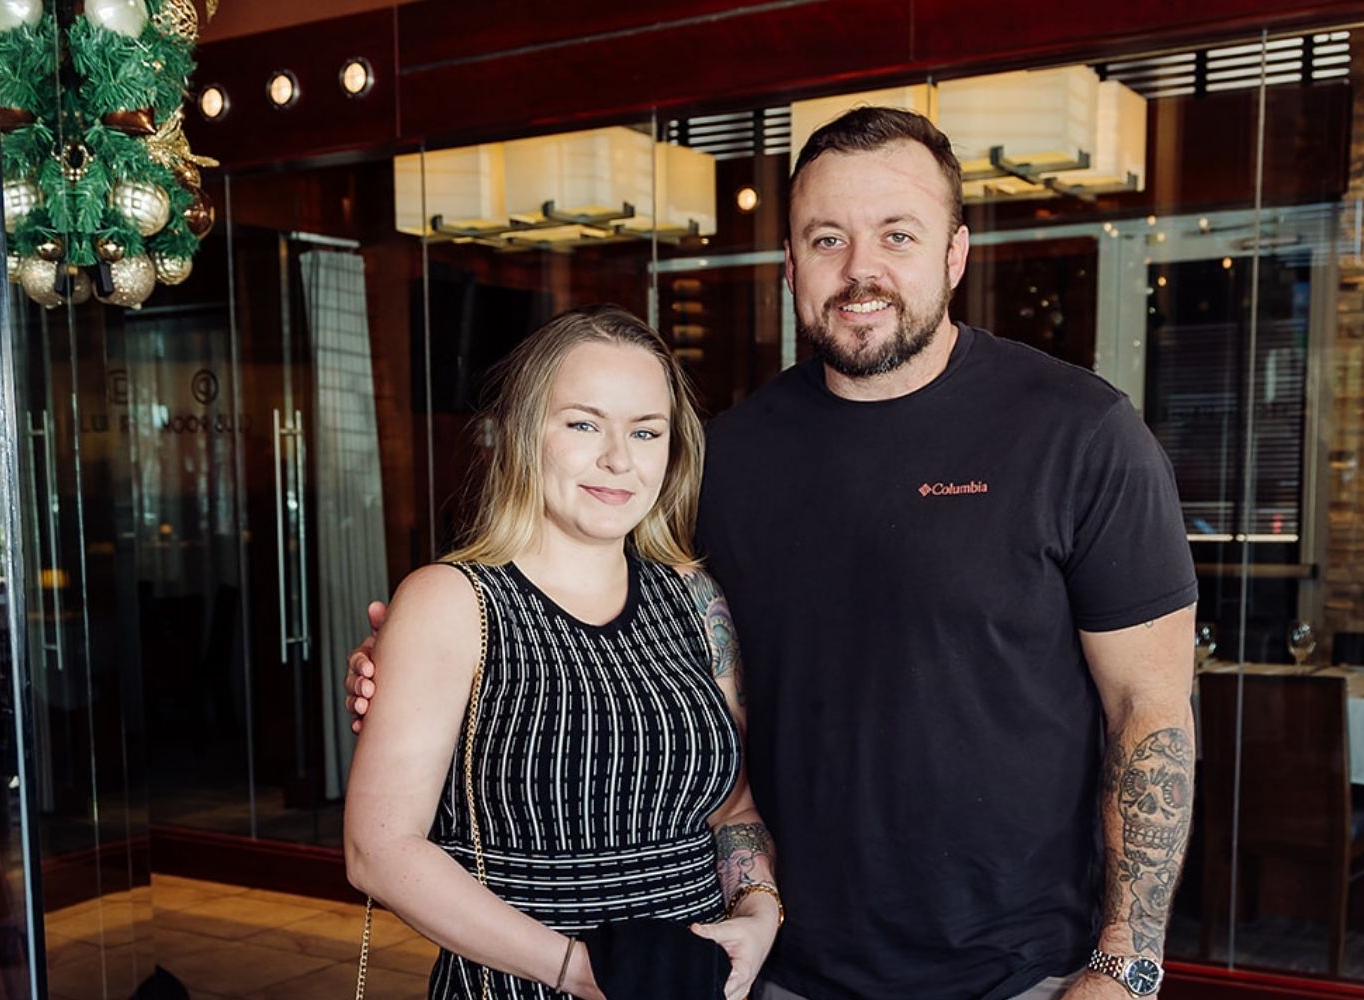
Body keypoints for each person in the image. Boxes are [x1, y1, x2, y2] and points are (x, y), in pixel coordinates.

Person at [350, 109, 1196, 1000]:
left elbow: (1149, 709)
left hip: (1019, 972)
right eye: (827, 238)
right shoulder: (727, 457)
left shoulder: (1080, 434)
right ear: (790, 263)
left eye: (897, 235)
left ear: (955, 253)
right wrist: (410, 665)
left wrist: (1126, 963)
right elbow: (580, 611)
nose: (860, 269)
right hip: (778, 966)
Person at [343, 305, 781, 1000]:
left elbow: (733, 811)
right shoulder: (452, 601)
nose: (618, 459)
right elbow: (379, 849)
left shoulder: (697, 600)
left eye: (646, 431)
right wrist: (582, 972)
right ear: (525, 433)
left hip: (692, 984)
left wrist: (758, 915)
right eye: (583, 424)